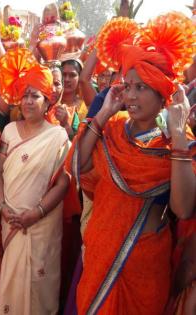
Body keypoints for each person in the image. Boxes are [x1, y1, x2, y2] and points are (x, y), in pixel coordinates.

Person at [67, 14, 195, 314]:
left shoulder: (177, 140)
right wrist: (103, 114)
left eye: (142, 88)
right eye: (128, 85)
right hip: (101, 251)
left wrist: (177, 132)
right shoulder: (113, 127)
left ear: (161, 92)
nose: (132, 96)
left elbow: (183, 208)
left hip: (144, 263)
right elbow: (78, 165)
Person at [0, 52, 71, 315]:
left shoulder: (58, 136)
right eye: (25, 95)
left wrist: (35, 213)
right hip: (10, 220)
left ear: (47, 100)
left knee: (40, 287)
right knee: (11, 288)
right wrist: (2, 207)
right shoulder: (8, 131)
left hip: (41, 225)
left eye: (35, 95)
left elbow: (63, 184)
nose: (28, 101)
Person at [60, 59, 88, 133]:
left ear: (79, 78)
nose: (67, 79)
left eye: (72, 75)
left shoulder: (84, 107)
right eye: (64, 74)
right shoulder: (51, 104)